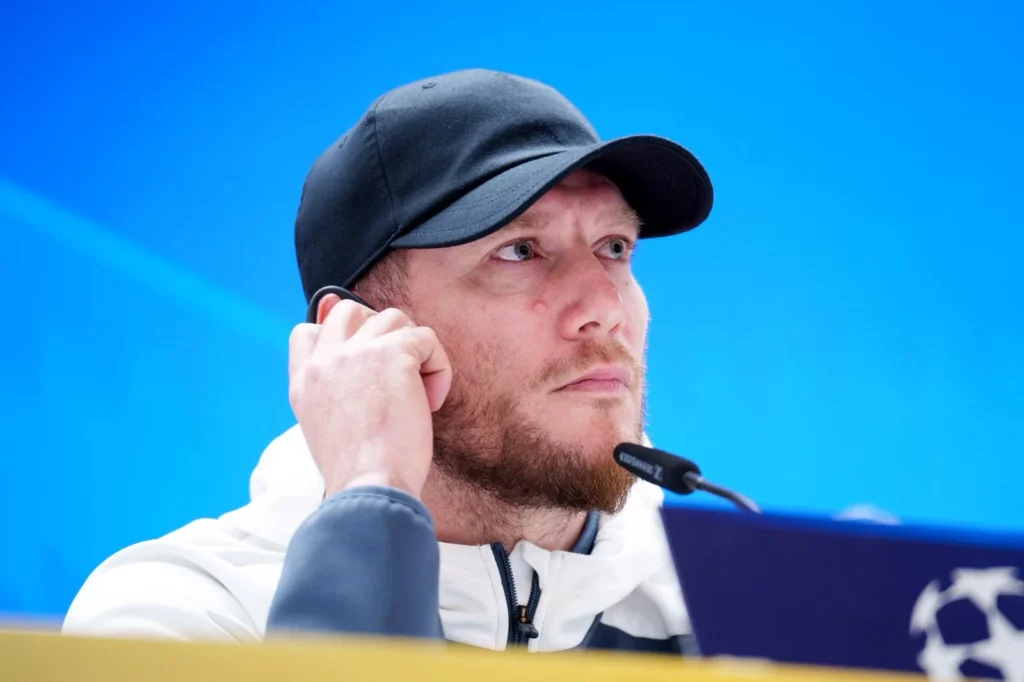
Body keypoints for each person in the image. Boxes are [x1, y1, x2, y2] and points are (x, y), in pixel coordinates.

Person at [63, 68, 714, 654]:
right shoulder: (182, 620)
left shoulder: (729, 623)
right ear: (358, 332)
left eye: (614, 246)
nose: (605, 306)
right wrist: (372, 495)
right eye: (519, 251)